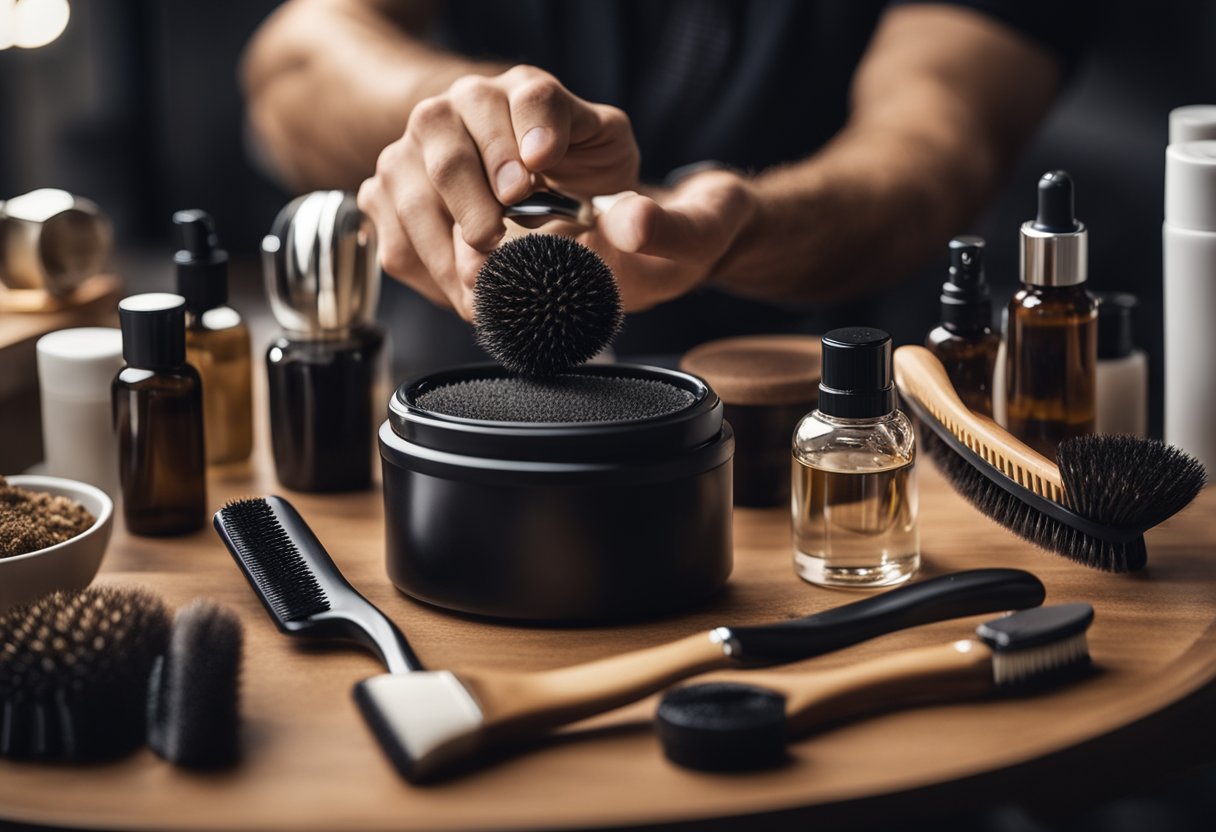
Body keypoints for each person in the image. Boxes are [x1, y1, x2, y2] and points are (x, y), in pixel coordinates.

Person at [242, 1, 1087, 363]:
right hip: (451, 401)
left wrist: (743, 224)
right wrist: (462, 120)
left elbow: (939, 144)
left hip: (806, 427)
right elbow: (291, 67)